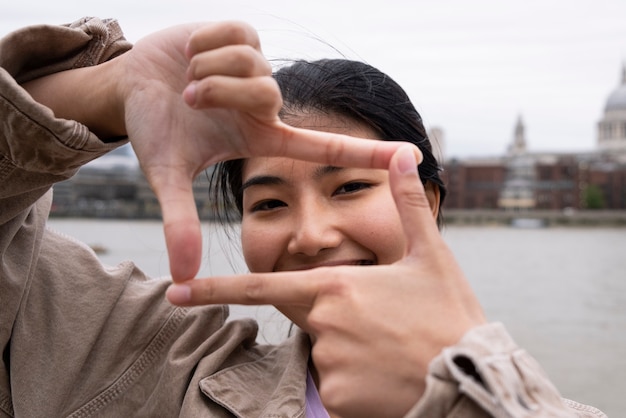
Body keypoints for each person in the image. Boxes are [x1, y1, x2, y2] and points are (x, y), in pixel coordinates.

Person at [0, 17, 605, 418]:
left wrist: (469, 393)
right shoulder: (153, 367)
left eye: (348, 188)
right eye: (268, 203)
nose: (312, 236)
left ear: (431, 202)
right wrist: (106, 92)